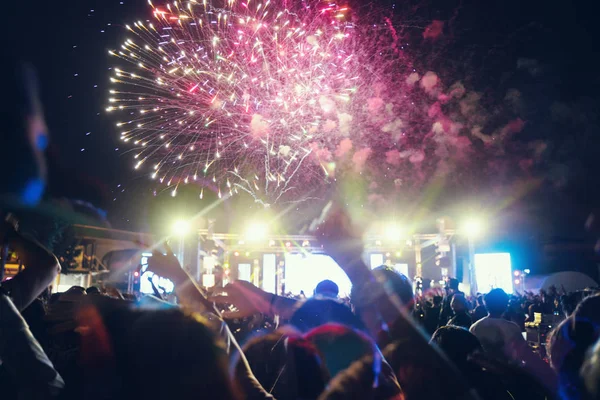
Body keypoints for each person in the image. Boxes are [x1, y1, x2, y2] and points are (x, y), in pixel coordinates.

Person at [469, 289, 524, 362]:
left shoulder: (475, 327)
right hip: (509, 371)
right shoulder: (512, 327)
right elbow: (522, 352)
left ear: (486, 304)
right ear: (505, 306)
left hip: (482, 370)